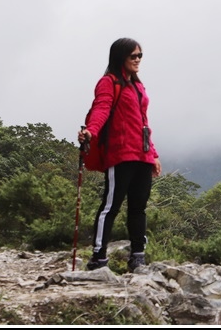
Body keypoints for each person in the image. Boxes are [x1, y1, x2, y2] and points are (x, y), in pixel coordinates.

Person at [78, 37, 162, 272]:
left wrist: (153, 154)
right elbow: (101, 108)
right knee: (111, 206)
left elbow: (144, 122)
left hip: (142, 155)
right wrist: (91, 132)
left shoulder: (138, 85)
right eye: (133, 56)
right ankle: (98, 256)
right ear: (120, 57)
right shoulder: (109, 82)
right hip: (121, 153)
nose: (137, 60)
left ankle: (137, 256)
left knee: (138, 208)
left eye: (140, 56)